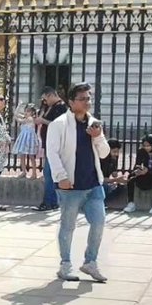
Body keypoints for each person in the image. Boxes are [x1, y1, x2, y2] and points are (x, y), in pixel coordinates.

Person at [46, 82, 110, 283]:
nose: (87, 102)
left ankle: (90, 262)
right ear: (71, 102)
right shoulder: (59, 124)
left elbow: (105, 153)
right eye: (83, 98)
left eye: (89, 97)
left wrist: (98, 137)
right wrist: (61, 177)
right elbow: (52, 153)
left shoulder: (94, 124)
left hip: (93, 184)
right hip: (70, 186)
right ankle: (65, 265)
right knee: (68, 226)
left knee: (99, 222)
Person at [35, 86, 68, 211]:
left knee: (49, 174)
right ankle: (53, 202)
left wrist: (43, 120)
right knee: (49, 174)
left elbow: (57, 125)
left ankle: (48, 202)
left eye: (45, 99)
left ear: (50, 95)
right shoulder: (50, 107)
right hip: (48, 144)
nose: (44, 101)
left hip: (55, 145)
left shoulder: (61, 107)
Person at [124, 134, 152, 216]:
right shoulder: (141, 151)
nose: (146, 148)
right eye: (144, 146)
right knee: (131, 177)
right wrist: (137, 170)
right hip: (146, 174)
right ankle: (131, 203)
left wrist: (147, 171)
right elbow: (137, 164)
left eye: (148, 145)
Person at [12, 103, 42, 178]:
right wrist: (19, 106)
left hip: (29, 139)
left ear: (32, 112)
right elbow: (16, 115)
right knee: (22, 155)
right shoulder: (26, 118)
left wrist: (18, 108)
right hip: (24, 139)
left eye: (28, 111)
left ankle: (34, 173)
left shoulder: (30, 119)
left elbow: (18, 118)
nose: (26, 112)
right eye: (25, 111)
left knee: (31, 156)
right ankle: (24, 171)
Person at [100, 139, 129, 207]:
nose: (116, 154)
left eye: (118, 152)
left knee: (121, 187)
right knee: (104, 186)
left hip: (108, 182)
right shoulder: (101, 160)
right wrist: (116, 180)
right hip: (98, 184)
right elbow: (101, 179)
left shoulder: (113, 159)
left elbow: (114, 174)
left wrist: (123, 177)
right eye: (114, 151)